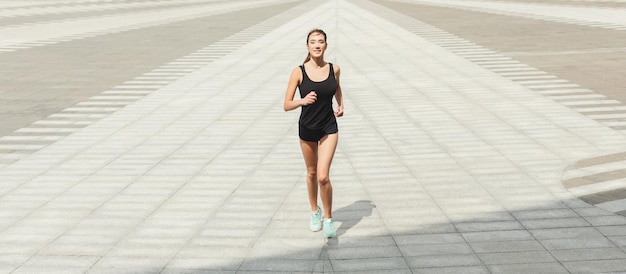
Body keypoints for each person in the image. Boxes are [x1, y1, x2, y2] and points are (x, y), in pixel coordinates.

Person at [283, 29, 343, 238]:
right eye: (313, 42)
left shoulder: (334, 69)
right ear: (307, 46)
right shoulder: (298, 72)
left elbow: (336, 87)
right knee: (311, 172)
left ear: (326, 45)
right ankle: (314, 211)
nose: (317, 45)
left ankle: (328, 218)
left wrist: (341, 104)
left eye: (320, 42)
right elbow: (286, 104)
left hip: (328, 126)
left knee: (323, 176)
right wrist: (302, 101)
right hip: (307, 127)